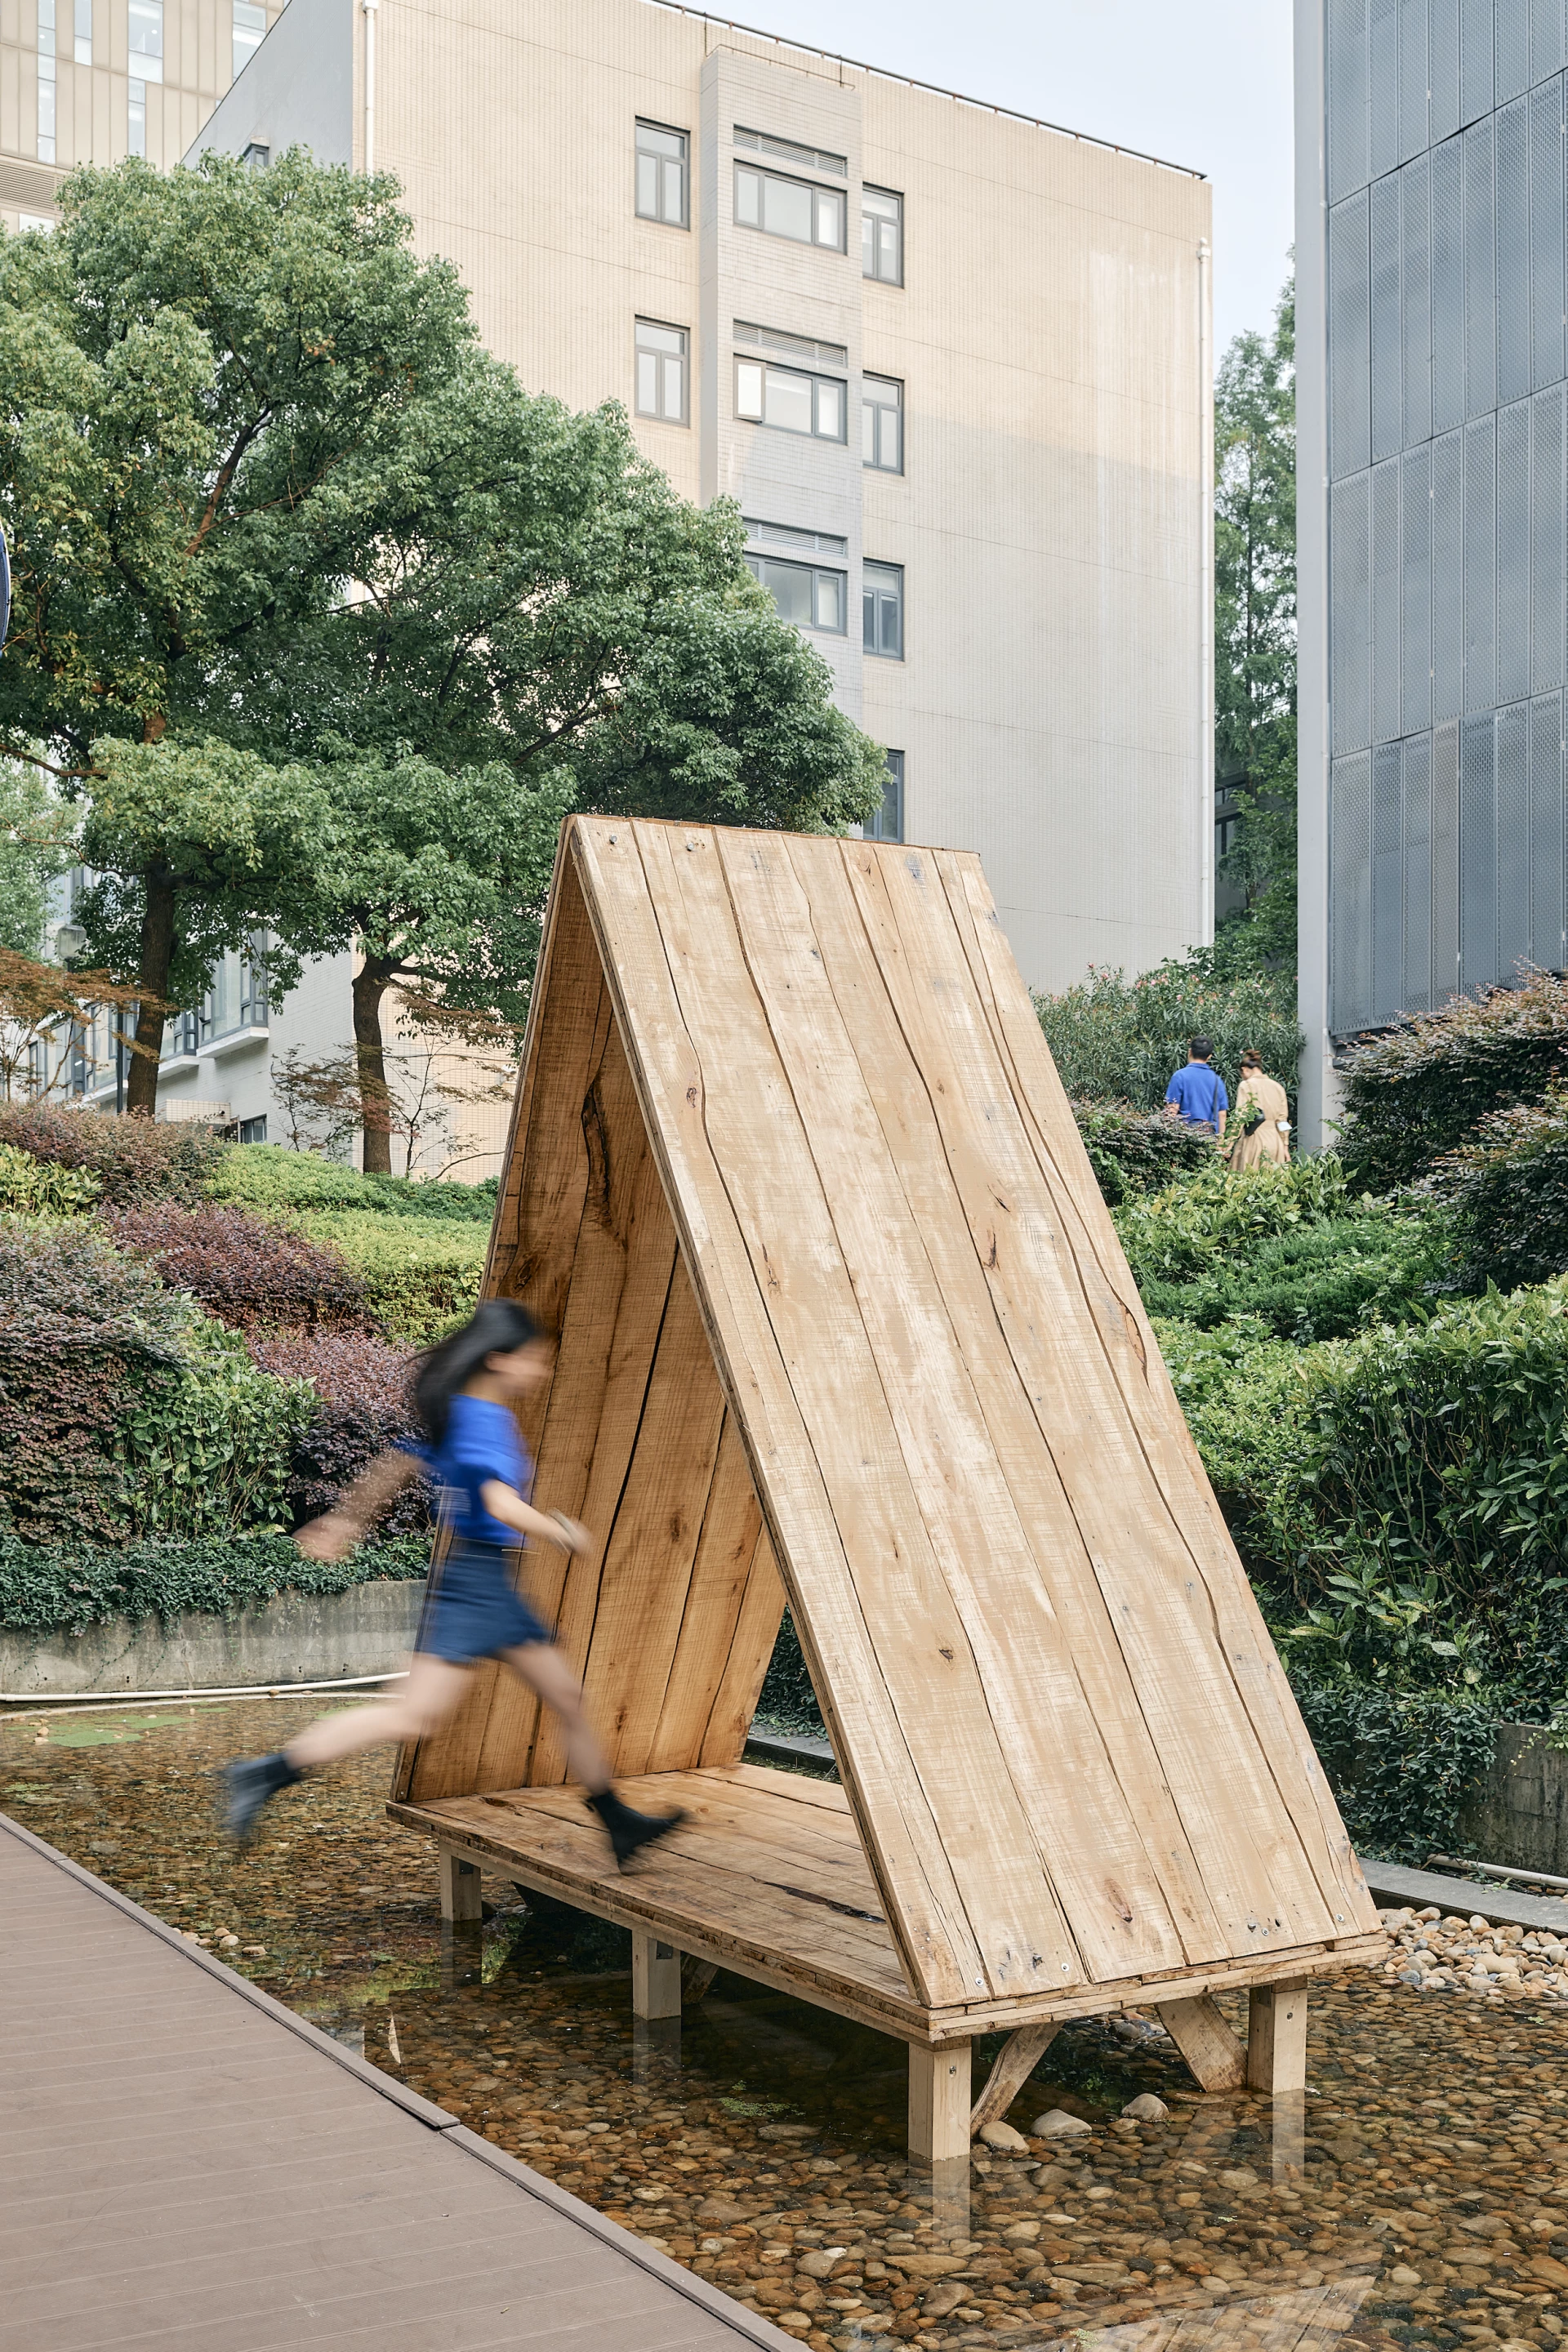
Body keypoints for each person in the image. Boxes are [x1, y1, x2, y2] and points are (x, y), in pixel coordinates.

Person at [220, 1300, 684, 1869]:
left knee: (564, 1697)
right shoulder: (484, 1420)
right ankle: (265, 1772)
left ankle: (617, 1821)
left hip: (482, 1581)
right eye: (535, 1360)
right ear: (499, 1359)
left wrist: (345, 1520)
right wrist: (560, 1531)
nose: (541, 1372)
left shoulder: (458, 1412)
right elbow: (498, 1501)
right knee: (415, 1715)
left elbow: (397, 1463)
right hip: (477, 1581)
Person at [1224, 1049, 1291, 1170]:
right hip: (1275, 1142)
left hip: (1254, 1139)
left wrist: (1228, 1144)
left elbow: (1240, 1117)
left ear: (1244, 1069)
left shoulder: (1247, 1085)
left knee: (1248, 1177)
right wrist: (1285, 1146)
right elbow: (1282, 1120)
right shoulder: (1278, 1087)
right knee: (1272, 1179)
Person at [1163, 1036, 1229, 1138]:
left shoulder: (1180, 1076)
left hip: (1185, 1135)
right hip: (1209, 1137)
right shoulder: (1217, 1080)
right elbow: (1222, 1114)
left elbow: (1172, 1111)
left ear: (1190, 1052)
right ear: (1209, 1057)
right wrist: (1221, 1140)